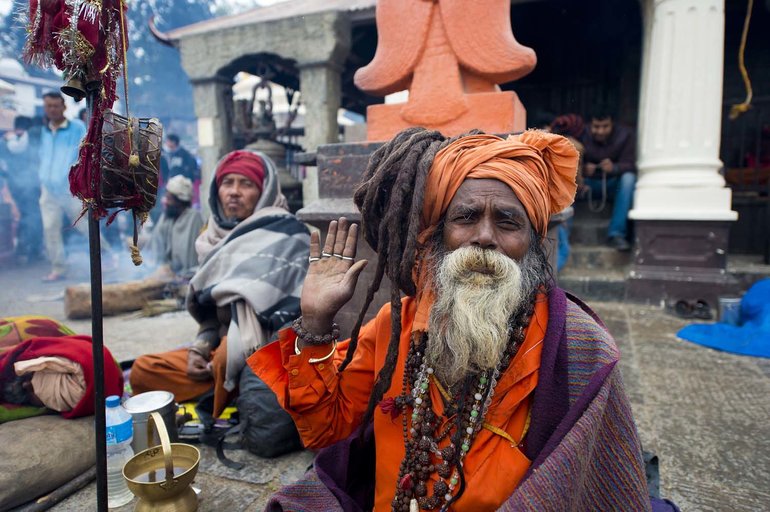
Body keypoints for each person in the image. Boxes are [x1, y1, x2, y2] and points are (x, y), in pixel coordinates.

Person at [250, 128, 664, 511]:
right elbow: (327, 433)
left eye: (507, 221)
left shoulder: (579, 348)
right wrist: (316, 323)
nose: (484, 237)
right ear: (438, 233)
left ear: (534, 242)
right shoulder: (397, 325)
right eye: (465, 218)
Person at [130, 150, 310, 419]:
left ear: (264, 190)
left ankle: (234, 387)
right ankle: (225, 388)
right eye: (227, 183)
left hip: (268, 352)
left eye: (246, 184)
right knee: (143, 370)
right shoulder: (211, 236)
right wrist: (199, 350)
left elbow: (294, 320)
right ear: (216, 190)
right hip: (222, 350)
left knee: (231, 363)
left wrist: (231, 350)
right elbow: (211, 318)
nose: (234, 192)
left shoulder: (288, 232)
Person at [36, 91, 93, 281]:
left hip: (69, 188)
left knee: (85, 224)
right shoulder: (45, 130)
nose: (51, 109)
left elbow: (82, 154)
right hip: (48, 189)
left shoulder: (76, 127)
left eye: (55, 105)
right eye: (48, 106)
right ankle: (59, 268)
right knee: (50, 228)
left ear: (64, 107)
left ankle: (107, 256)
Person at [581, 107, 637, 252]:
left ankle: (616, 234)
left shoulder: (625, 135)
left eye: (605, 126)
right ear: (590, 125)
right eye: (596, 127)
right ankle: (562, 238)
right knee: (565, 180)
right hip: (587, 186)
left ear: (613, 124)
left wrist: (615, 168)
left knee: (629, 179)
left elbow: (631, 164)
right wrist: (582, 169)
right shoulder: (582, 134)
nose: (600, 131)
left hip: (613, 186)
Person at [0, 116, 44, 264]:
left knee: (25, 216)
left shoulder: (4, 141)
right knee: (33, 216)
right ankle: (33, 250)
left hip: (14, 185)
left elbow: (3, 165)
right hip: (31, 184)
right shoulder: (32, 137)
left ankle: (23, 249)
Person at [142, 175, 203, 277]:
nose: (165, 201)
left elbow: (192, 261)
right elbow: (155, 246)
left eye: (169, 198)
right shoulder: (167, 217)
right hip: (163, 274)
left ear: (180, 202)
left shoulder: (194, 218)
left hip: (186, 277)